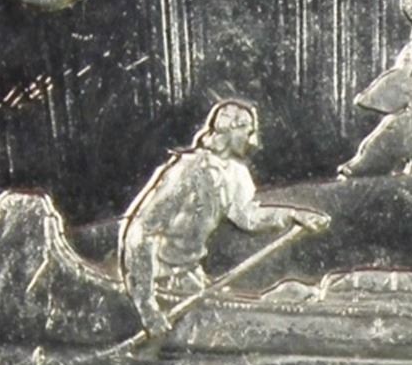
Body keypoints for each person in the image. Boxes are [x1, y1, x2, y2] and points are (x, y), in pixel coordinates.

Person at [119, 100, 329, 334]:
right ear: (231, 130)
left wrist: (293, 215)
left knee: (286, 293)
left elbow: (248, 216)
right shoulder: (188, 170)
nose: (253, 142)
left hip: (191, 276)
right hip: (159, 279)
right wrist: (146, 304)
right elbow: (142, 230)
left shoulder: (236, 173)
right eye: (248, 132)